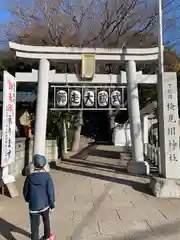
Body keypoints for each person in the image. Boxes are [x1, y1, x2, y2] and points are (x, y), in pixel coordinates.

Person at [23, 154, 55, 240]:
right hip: (45, 205)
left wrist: (27, 199)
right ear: (44, 164)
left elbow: (25, 191)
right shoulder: (47, 177)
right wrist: (52, 205)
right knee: (46, 220)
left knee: (34, 226)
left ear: (34, 164)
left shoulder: (29, 177)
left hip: (33, 206)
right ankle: (47, 236)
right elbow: (50, 192)